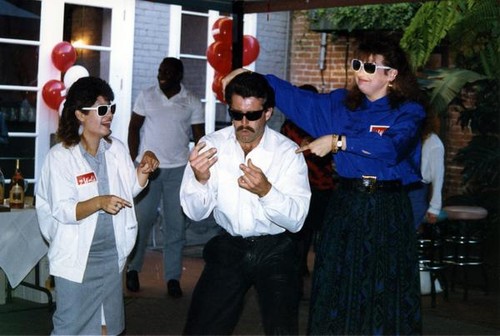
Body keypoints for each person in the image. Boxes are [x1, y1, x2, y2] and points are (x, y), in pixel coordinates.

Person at [224, 39, 427, 335]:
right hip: (346, 204)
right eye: (357, 65)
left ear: (392, 74)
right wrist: (250, 76)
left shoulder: (409, 111)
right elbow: (293, 97)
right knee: (337, 283)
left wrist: (338, 141)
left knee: (382, 287)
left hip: (386, 208)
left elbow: (393, 147)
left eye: (370, 66)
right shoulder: (340, 105)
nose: (360, 72)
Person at [180, 72, 311, 335]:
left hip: (276, 249)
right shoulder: (211, 146)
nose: (243, 123)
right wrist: (200, 179)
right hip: (230, 245)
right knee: (201, 328)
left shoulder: (288, 153)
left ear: (268, 113)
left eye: (251, 115)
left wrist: (266, 191)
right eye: (236, 114)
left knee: (282, 329)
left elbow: (296, 221)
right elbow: (194, 213)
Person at [36, 76, 159, 335]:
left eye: (111, 108)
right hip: (77, 258)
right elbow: (63, 210)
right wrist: (99, 202)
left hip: (111, 256)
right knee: (70, 329)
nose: (109, 115)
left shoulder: (116, 150)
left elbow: (129, 189)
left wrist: (144, 171)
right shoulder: (60, 157)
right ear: (80, 114)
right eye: (101, 110)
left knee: (107, 327)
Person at [126, 57, 205, 297]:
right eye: (160, 70)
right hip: (148, 169)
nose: (161, 75)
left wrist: (197, 168)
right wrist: (134, 161)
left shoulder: (191, 100)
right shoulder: (146, 95)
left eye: (167, 72)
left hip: (178, 170)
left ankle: (172, 278)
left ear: (178, 75)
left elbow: (200, 138)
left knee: (175, 226)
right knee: (141, 221)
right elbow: (133, 128)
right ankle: (133, 269)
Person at [280, 84, 335, 294]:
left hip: (313, 187)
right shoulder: (319, 124)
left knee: (302, 236)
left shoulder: (294, 124)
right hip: (315, 186)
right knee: (309, 236)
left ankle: (299, 281)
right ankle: (306, 281)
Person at [407, 112, 445, 230]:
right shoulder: (406, 137)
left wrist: (434, 207)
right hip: (399, 188)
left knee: (407, 233)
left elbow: (438, 177)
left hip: (417, 191)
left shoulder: (433, 142)